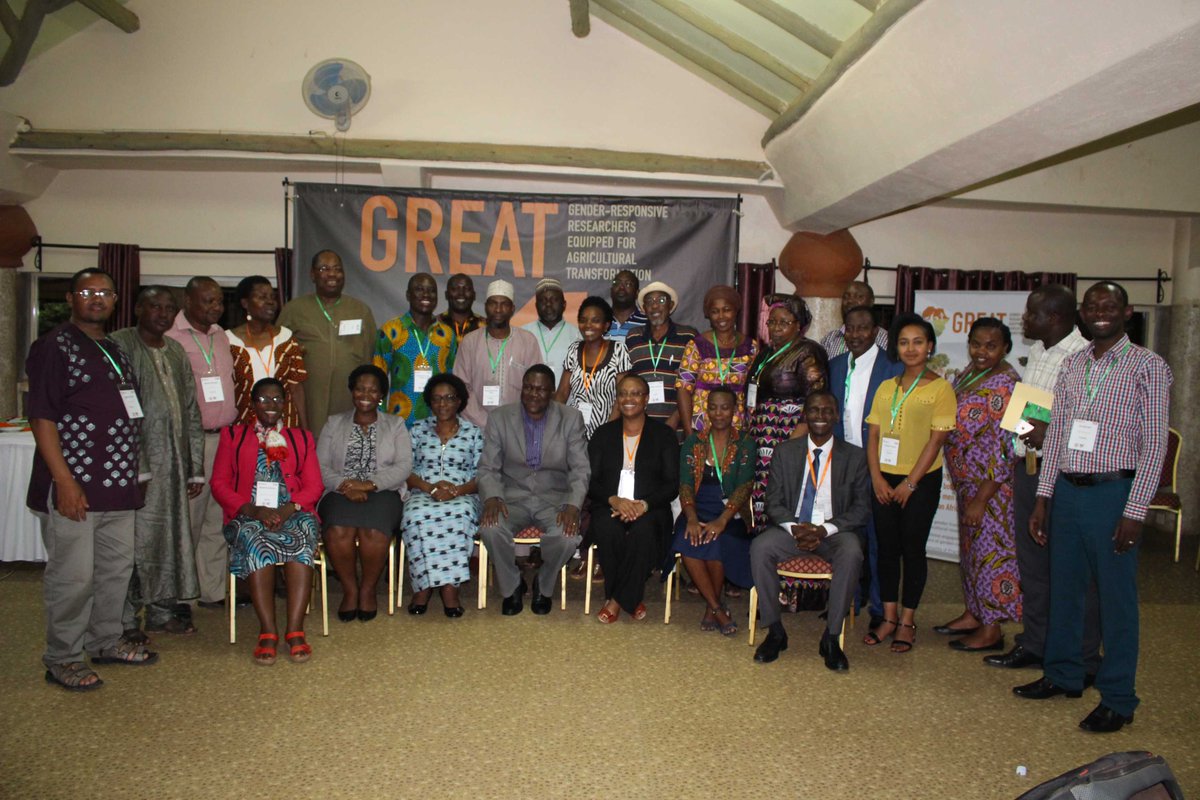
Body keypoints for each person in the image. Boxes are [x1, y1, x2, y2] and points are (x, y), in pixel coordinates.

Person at [1014, 282, 1171, 734]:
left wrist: (1136, 510)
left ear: (1127, 313)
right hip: (1066, 491)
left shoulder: (1148, 366)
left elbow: (1155, 443)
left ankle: (1119, 698)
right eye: (1093, 306)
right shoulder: (1074, 364)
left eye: (1110, 305)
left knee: (1116, 601)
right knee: (1066, 588)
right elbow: (1058, 433)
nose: (1101, 312)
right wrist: (1044, 497)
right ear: (1082, 313)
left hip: (1113, 495)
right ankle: (1063, 675)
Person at [27, 268, 157, 691]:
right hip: (75, 487)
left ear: (116, 300)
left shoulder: (115, 347)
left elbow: (128, 414)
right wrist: (64, 481)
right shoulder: (54, 347)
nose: (96, 299)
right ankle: (62, 657)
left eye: (105, 292)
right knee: (74, 577)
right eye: (87, 291)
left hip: (118, 487)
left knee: (114, 572)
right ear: (70, 298)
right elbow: (42, 417)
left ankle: (105, 640)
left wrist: (136, 472)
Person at [986, 285, 1097, 674]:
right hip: (1027, 468)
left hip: (1064, 476)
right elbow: (1025, 413)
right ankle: (1035, 643)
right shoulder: (1038, 351)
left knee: (1069, 570)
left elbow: (1095, 425)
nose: (1025, 319)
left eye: (1032, 313)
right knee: (1032, 566)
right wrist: (1021, 428)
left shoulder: (1084, 357)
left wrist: (1050, 432)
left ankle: (1081, 657)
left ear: (1054, 317)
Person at [751, 391, 870, 671]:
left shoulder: (854, 456)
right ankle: (776, 632)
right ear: (805, 414)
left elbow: (862, 508)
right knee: (761, 548)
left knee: (852, 552)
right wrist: (796, 529)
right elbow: (773, 501)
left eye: (826, 411)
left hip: (834, 531)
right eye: (814, 411)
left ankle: (831, 638)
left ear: (836, 416)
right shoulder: (785, 451)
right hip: (793, 529)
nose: (819, 417)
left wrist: (824, 530)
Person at [111, 287, 205, 638]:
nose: (163, 314)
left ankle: (161, 612)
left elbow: (191, 411)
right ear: (137, 308)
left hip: (175, 466)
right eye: (156, 306)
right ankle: (122, 618)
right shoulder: (119, 346)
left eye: (169, 308)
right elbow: (119, 413)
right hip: (136, 469)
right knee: (134, 542)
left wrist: (195, 467)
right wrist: (137, 466)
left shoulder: (176, 351)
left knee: (169, 538)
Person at [210, 378, 323, 666]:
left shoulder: (301, 438)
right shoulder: (233, 437)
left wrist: (289, 509)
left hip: (293, 511)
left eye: (276, 400)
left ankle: (295, 629)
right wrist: (250, 509)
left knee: (304, 535)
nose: (270, 406)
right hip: (249, 514)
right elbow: (220, 483)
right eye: (263, 400)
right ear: (252, 404)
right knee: (255, 538)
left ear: (284, 404)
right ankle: (268, 631)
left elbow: (314, 486)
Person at [862, 312, 956, 653]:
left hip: (921, 481)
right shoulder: (887, 387)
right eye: (904, 342)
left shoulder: (942, 388)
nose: (910, 348)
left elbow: (936, 441)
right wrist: (876, 478)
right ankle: (887, 617)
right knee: (886, 549)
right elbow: (873, 435)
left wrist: (910, 484)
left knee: (912, 550)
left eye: (918, 342)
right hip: (883, 479)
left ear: (930, 346)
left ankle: (907, 620)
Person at [936, 317, 1022, 652]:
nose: (982, 351)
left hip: (991, 488)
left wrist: (983, 498)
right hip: (966, 481)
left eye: (991, 346)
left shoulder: (1007, 384)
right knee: (971, 552)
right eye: (976, 343)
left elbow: (1008, 446)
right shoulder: (969, 372)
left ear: (1005, 348)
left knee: (991, 555)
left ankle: (992, 630)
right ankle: (974, 613)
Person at [477, 366, 590, 616]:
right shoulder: (500, 417)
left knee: (568, 537)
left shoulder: (570, 418)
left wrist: (573, 505)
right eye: (528, 387)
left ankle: (544, 583)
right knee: (490, 528)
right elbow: (488, 467)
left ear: (551, 392)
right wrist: (493, 496)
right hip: (511, 498)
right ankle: (512, 585)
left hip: (554, 499)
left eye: (540, 389)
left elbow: (581, 469)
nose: (533, 394)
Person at [316, 365, 412, 623]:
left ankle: (368, 590)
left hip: (383, 492)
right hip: (339, 491)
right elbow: (320, 466)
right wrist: (347, 485)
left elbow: (404, 466)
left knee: (373, 531)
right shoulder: (334, 423)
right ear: (351, 391)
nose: (365, 394)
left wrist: (368, 485)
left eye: (373, 390)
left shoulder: (395, 425)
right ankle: (350, 590)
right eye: (360, 388)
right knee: (338, 531)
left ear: (382, 395)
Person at [167, 276, 240, 610]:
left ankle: (212, 591)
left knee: (216, 518)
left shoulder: (221, 336)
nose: (215, 307)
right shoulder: (171, 338)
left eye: (219, 302)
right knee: (189, 520)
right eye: (208, 301)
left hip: (224, 438)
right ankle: (183, 596)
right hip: (192, 442)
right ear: (188, 301)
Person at [828, 304, 902, 629]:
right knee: (847, 535)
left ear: (875, 332)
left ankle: (878, 609)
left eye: (863, 328)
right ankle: (850, 600)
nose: (856, 334)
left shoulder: (893, 368)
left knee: (879, 539)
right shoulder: (834, 366)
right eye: (850, 328)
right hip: (843, 465)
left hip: (880, 464)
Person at [587, 375, 680, 623]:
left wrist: (643, 505)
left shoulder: (664, 435)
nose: (629, 399)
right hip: (611, 505)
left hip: (651, 508)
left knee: (644, 531)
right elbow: (590, 482)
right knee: (607, 528)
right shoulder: (603, 434)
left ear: (646, 399)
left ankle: (616, 600)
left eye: (636, 393)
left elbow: (672, 484)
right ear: (617, 400)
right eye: (624, 394)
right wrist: (614, 501)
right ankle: (631, 596)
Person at [672, 387, 756, 635]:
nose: (718, 413)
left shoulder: (745, 442)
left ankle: (712, 607)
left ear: (734, 410)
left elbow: (745, 486)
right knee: (686, 538)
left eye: (725, 407)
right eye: (713, 407)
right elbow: (685, 484)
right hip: (696, 507)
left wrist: (722, 520)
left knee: (719, 541)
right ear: (706, 410)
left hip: (730, 511)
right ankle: (717, 607)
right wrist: (692, 518)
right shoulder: (693, 441)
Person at [402, 373, 484, 618]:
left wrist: (456, 491)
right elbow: (405, 469)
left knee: (459, 515)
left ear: (460, 401)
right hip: (423, 490)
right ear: (429, 402)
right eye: (436, 399)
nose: (443, 404)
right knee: (416, 514)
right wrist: (430, 488)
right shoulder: (417, 429)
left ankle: (450, 589)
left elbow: (483, 474)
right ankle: (423, 587)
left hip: (463, 493)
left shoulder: (474, 432)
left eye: (449, 398)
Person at [746, 295, 828, 525]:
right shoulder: (765, 352)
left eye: (784, 322)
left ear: (798, 325)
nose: (776, 328)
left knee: (783, 492)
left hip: (789, 435)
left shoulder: (808, 352)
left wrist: (791, 444)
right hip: (763, 436)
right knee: (760, 494)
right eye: (772, 322)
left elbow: (816, 400)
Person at [277, 249, 377, 438]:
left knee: (344, 449)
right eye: (324, 268)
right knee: (309, 449)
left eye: (337, 269)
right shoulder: (294, 309)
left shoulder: (360, 310)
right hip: (308, 400)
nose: (332, 274)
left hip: (347, 400)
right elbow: (279, 357)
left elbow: (369, 357)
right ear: (312, 275)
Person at [453, 279, 541, 430]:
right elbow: (461, 387)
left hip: (517, 428)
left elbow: (536, 387)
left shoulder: (527, 341)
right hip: (476, 428)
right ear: (486, 306)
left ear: (512, 308)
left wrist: (515, 422)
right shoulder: (470, 342)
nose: (498, 309)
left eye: (504, 304)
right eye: (493, 303)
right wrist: (484, 422)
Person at [677, 285, 759, 437]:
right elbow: (683, 389)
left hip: (737, 423)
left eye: (727, 309)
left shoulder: (751, 346)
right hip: (702, 422)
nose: (721, 316)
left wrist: (750, 424)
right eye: (715, 311)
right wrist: (689, 431)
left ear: (736, 311)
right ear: (708, 315)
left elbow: (754, 389)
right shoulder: (696, 345)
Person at [374, 273, 457, 426]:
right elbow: (378, 380)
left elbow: (452, 380)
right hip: (398, 422)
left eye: (432, 290)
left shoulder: (447, 334)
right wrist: (380, 418)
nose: (426, 294)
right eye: (419, 289)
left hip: (438, 422)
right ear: (408, 295)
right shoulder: (391, 330)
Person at [227, 275, 308, 429]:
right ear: (245, 303)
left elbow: (296, 387)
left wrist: (304, 429)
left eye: (272, 297)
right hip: (245, 426)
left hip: (285, 424)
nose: (270, 301)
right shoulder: (228, 341)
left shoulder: (286, 338)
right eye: (262, 297)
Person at [555, 296, 631, 439]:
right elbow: (562, 392)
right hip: (573, 433)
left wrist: (607, 432)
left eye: (595, 321)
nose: (588, 325)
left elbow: (621, 397)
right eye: (583, 320)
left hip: (607, 433)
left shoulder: (618, 350)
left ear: (606, 325)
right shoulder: (574, 349)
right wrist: (554, 425)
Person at [624, 281, 696, 430]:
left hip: (677, 427)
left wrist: (676, 417)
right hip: (640, 427)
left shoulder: (688, 336)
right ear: (644, 309)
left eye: (661, 300)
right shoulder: (633, 337)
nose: (655, 306)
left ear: (671, 305)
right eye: (649, 302)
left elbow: (696, 384)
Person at [521, 277, 581, 384]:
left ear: (564, 304)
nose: (548, 304)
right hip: (532, 398)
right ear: (536, 306)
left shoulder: (578, 336)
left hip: (566, 400)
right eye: (543, 300)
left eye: (554, 299)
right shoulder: (523, 334)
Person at [819, 280, 888, 359]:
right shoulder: (831, 338)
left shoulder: (885, 339)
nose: (850, 301)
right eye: (846, 297)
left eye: (859, 297)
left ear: (871, 301)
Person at [438, 273, 486, 341]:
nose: (461, 293)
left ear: (474, 295)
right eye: (455, 289)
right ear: (446, 295)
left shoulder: (486, 326)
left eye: (466, 289)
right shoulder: (435, 324)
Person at [606, 269, 648, 342]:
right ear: (611, 291)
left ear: (637, 293)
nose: (621, 287)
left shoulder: (647, 322)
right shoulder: (600, 321)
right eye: (617, 283)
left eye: (628, 284)